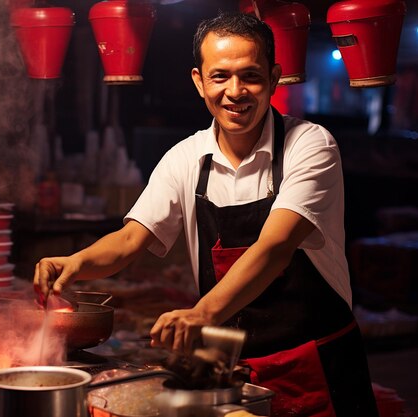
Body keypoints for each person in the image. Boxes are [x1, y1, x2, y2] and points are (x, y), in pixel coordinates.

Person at [33, 11, 379, 417]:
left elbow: (274, 247)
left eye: (250, 75)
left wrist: (202, 314)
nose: (235, 91)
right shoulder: (185, 158)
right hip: (233, 371)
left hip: (319, 369)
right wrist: (75, 263)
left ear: (274, 76)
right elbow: (130, 240)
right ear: (199, 81)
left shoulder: (311, 146)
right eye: (220, 77)